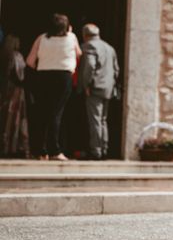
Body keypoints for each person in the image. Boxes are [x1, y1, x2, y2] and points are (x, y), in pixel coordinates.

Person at [26, 14, 82, 161]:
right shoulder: (71, 37)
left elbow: (30, 61)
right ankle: (54, 150)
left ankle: (39, 150)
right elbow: (79, 53)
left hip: (43, 76)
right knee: (56, 113)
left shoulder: (42, 38)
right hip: (63, 77)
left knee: (41, 113)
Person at [77, 24, 119, 160]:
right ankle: (104, 148)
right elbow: (116, 69)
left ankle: (96, 151)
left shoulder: (89, 46)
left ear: (85, 35)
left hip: (95, 88)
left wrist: (86, 84)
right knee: (103, 120)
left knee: (95, 120)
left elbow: (89, 66)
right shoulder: (109, 48)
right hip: (108, 88)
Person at [0, 34, 29, 157]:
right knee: (16, 119)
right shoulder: (16, 56)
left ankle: (4, 145)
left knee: (6, 118)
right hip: (16, 91)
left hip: (6, 90)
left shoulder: (3, 56)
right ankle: (15, 147)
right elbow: (20, 76)